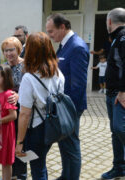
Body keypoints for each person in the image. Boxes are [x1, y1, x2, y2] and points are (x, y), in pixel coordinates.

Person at [15, 32, 65, 179]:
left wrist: (20, 142)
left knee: (37, 168)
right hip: (51, 127)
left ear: (29, 51)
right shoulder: (58, 73)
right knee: (40, 164)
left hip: (36, 130)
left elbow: (24, 114)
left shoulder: (29, 78)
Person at [46, 13, 89, 180]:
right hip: (64, 106)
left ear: (62, 27)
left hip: (70, 107)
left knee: (72, 146)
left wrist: (69, 110)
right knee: (64, 144)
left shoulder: (77, 47)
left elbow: (78, 85)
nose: (50, 35)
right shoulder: (64, 45)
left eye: (51, 31)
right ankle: (66, 175)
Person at [0, 37, 27, 180]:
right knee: (10, 144)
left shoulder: (26, 65)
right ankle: (12, 174)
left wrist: (19, 95)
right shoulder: (3, 67)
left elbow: (32, 88)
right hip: (8, 112)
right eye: (6, 50)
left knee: (21, 143)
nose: (9, 53)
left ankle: (21, 175)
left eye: (12, 50)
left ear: (19, 50)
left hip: (23, 112)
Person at [102, 7, 125, 180]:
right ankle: (119, 167)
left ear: (110, 22)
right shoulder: (117, 38)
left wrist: (123, 92)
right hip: (112, 94)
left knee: (120, 129)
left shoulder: (123, 38)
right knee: (115, 132)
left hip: (120, 94)